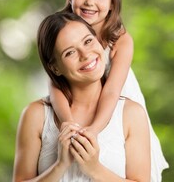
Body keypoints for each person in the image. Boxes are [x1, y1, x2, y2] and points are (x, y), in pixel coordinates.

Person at [48, 0, 168, 181]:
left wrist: (94, 129)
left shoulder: (121, 40)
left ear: (113, 2)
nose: (89, 2)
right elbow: (55, 86)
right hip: (78, 108)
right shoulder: (61, 34)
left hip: (116, 106)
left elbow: (112, 91)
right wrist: (70, 125)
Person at [12, 12, 151, 181]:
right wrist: (60, 166)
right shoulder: (36, 114)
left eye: (88, 41)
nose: (85, 54)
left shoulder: (131, 114)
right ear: (55, 68)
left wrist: (95, 169)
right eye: (70, 52)